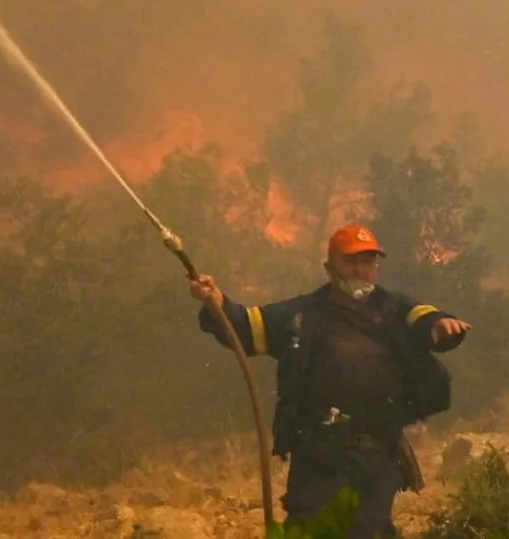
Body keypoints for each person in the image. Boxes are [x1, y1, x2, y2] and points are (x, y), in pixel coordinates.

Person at [189, 223, 471, 538]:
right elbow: (244, 326)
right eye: (351, 261)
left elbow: (426, 320)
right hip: (320, 457)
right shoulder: (302, 316)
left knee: (370, 531)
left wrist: (442, 326)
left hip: (378, 455)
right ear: (329, 266)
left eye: (368, 261)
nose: (360, 270)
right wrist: (216, 302)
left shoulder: (393, 308)